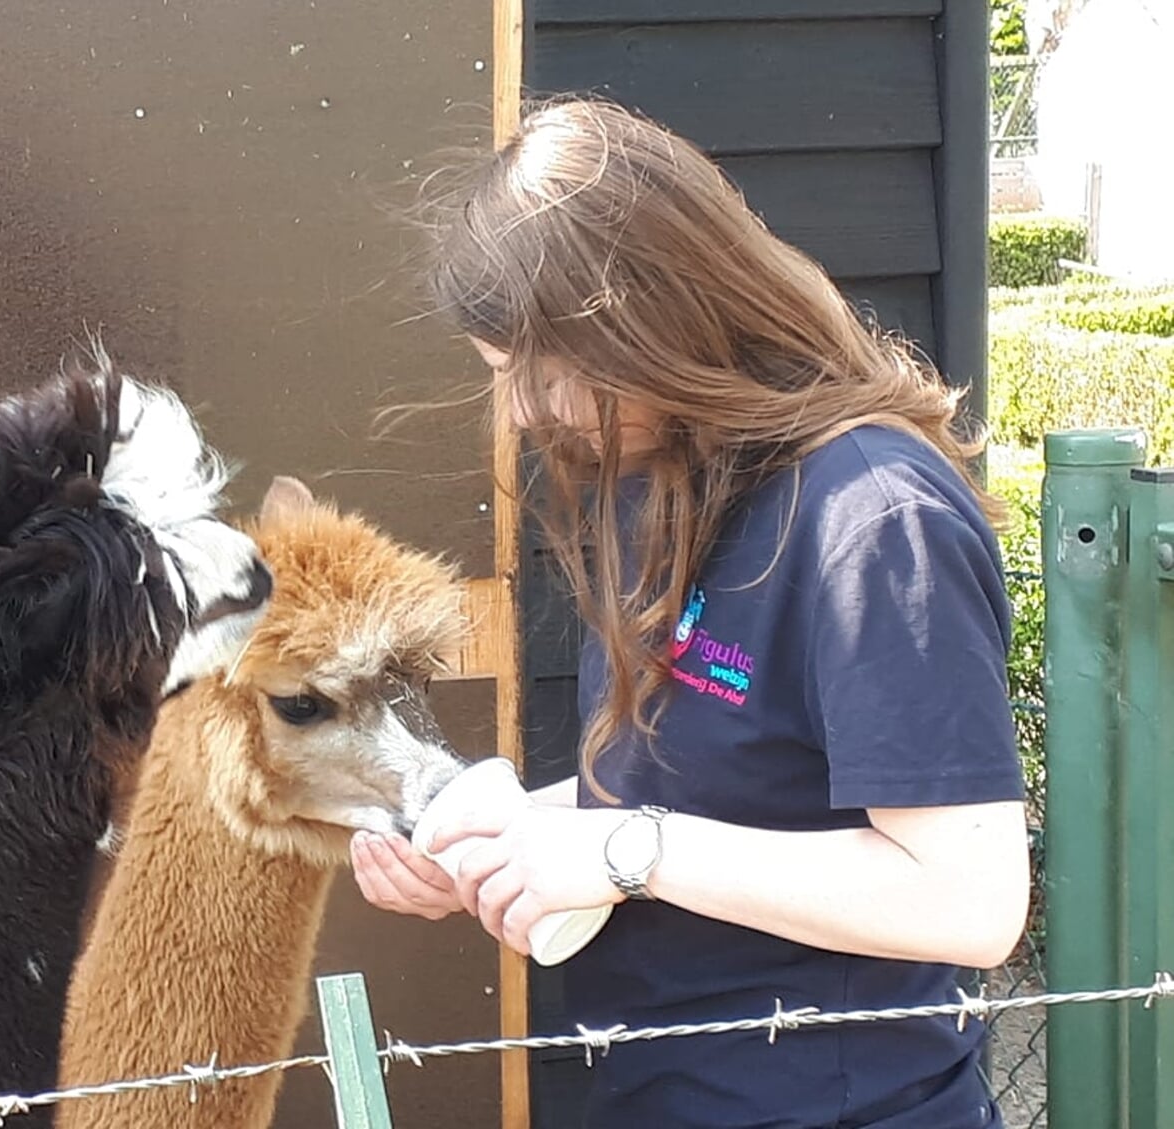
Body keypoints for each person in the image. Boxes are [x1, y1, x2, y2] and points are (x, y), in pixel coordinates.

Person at [349, 95, 1032, 1128]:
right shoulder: (658, 469)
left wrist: (628, 851)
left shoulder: (871, 518)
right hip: (664, 1092)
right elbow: (715, 787)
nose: (521, 412)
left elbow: (966, 901)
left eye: (533, 372)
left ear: (638, 317)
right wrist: (507, 836)